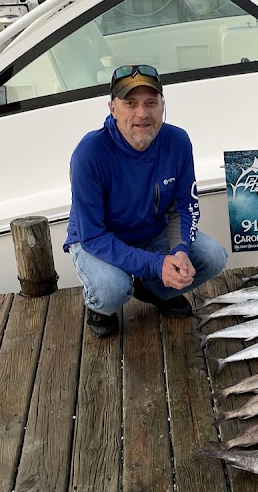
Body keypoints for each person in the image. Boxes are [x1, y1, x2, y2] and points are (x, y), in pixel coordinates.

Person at [65, 64, 228, 336]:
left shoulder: (178, 141)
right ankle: (100, 307)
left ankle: (154, 290)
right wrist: (155, 264)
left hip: (152, 232)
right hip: (99, 238)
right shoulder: (89, 152)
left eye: (150, 102)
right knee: (112, 289)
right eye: (130, 103)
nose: (142, 113)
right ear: (113, 109)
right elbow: (92, 235)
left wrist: (178, 252)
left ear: (162, 105)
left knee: (213, 257)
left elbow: (183, 207)